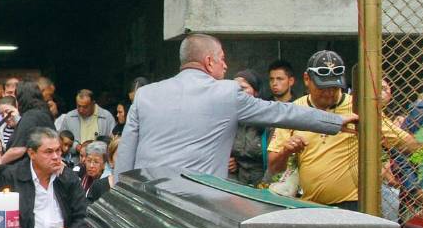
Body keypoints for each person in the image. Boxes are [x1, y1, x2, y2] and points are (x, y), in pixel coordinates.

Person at [116, 34, 357, 180]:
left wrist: (121, 198)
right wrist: (334, 121)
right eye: (222, 59)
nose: (225, 65)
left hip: (147, 199)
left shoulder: (145, 95)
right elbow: (280, 112)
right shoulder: (227, 93)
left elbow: (126, 154)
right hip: (197, 203)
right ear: (209, 61)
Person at [268, 51, 418, 209]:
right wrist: (286, 151)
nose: (329, 93)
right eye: (323, 87)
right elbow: (274, 167)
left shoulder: (360, 108)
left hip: (353, 203)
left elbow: (407, 143)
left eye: (335, 87)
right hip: (311, 204)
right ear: (307, 79)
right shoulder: (293, 110)